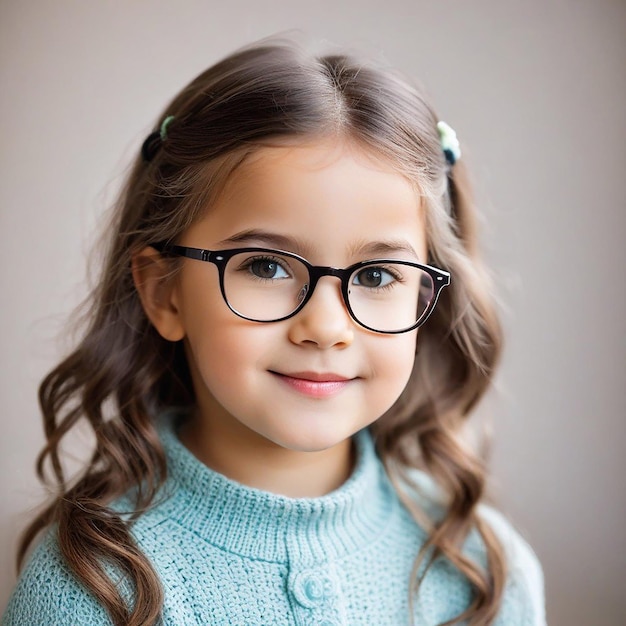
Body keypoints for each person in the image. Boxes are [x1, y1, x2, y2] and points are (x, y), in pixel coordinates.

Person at [1, 38, 545, 626]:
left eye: (378, 274)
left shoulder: (482, 570)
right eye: (266, 266)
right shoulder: (91, 587)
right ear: (164, 292)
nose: (326, 328)